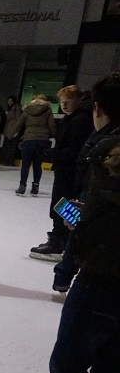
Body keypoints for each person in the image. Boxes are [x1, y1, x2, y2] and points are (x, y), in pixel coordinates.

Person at [19, 72, 120, 373]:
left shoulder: (110, 156)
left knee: (69, 367)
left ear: (99, 109)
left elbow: (97, 228)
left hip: (101, 281)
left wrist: (73, 219)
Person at [52, 74, 120, 294]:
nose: (64, 105)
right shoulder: (97, 135)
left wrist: (88, 219)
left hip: (101, 268)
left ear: (97, 109)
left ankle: (63, 272)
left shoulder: (105, 144)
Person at [29, 85, 95, 261]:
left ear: (79, 100)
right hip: (67, 168)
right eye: (61, 101)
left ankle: (60, 241)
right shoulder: (71, 119)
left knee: (63, 203)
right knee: (62, 203)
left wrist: (52, 153)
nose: (64, 105)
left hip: (71, 170)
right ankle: (63, 239)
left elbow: (75, 150)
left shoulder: (80, 120)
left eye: (68, 101)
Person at [12, 94, 56, 196]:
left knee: (25, 165)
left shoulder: (27, 110)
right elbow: (52, 125)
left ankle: (22, 186)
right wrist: (54, 134)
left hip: (29, 139)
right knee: (37, 165)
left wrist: (11, 134)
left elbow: (19, 124)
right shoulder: (48, 110)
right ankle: (35, 186)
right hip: (42, 140)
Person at [0, 95, 22, 166]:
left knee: (11, 146)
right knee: (7, 146)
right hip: (8, 130)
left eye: (11, 101)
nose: (9, 102)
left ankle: (9, 161)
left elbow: (19, 120)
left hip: (13, 130)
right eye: (8, 101)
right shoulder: (9, 109)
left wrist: (16, 131)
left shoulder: (17, 108)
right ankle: (4, 161)